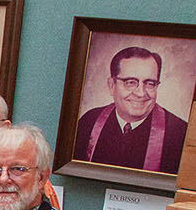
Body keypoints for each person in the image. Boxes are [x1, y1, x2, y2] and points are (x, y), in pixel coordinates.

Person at [72, 45, 188, 175]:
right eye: (130, 82)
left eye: (150, 84)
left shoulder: (180, 134)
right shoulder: (89, 121)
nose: (141, 93)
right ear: (111, 85)